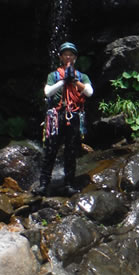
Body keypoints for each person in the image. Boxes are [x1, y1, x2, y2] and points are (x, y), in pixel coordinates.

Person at [38, 41, 93, 196]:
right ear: (61, 57)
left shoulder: (82, 77)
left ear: (75, 58)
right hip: (56, 116)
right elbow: (48, 92)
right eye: (65, 54)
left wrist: (74, 81)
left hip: (73, 116)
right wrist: (63, 81)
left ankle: (68, 184)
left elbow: (89, 92)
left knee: (71, 151)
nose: (68, 57)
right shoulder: (53, 76)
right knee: (50, 150)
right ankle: (43, 184)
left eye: (71, 54)